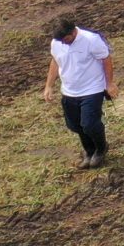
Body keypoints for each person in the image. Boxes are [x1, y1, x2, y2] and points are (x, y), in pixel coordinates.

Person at [42, 17, 115, 168]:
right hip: (69, 91)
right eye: (60, 40)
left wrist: (109, 84)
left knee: (89, 124)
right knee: (75, 125)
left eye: (66, 39)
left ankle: (101, 149)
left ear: (73, 31)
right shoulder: (57, 42)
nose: (63, 43)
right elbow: (55, 61)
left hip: (92, 89)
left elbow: (106, 59)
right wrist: (49, 86)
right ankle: (89, 151)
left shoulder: (91, 40)